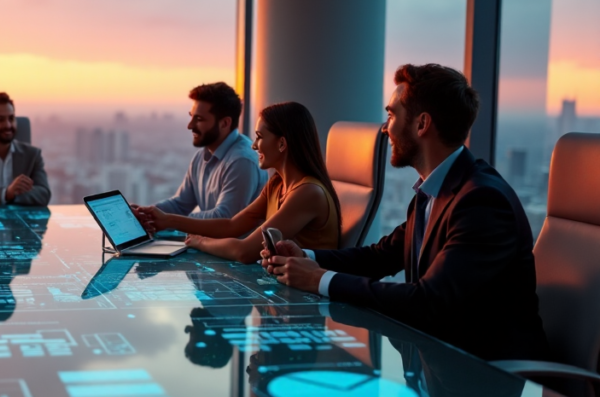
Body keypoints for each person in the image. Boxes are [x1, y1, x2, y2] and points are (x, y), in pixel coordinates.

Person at [264, 63, 550, 362]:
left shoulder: (481, 201)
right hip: (435, 363)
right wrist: (306, 257)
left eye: (391, 115)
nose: (385, 128)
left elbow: (429, 301)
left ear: (422, 124)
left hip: (484, 376)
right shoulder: (432, 191)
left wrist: (319, 279)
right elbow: (380, 256)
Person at [137, 101, 341, 262]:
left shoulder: (307, 193)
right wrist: (167, 220)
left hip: (311, 297)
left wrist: (200, 242)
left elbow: (245, 251)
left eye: (260, 137)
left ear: (281, 143)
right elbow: (232, 225)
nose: (254, 146)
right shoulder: (277, 184)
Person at [144, 82, 264, 219]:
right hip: (206, 240)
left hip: (233, 240)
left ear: (225, 123)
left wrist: (171, 221)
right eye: (191, 117)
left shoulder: (242, 161)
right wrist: (147, 213)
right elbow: (180, 205)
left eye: (199, 119)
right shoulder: (200, 157)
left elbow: (224, 218)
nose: (190, 126)